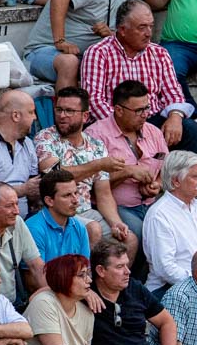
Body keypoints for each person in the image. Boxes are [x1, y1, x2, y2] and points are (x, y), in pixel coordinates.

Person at [79, 0, 197, 152]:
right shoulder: (98, 53)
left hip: (152, 119)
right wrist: (127, 124)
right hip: (114, 121)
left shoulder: (159, 53)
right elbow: (94, 101)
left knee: (190, 129)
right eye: (142, 27)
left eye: (151, 26)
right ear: (122, 30)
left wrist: (175, 116)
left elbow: (174, 94)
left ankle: (186, 175)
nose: (149, 33)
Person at [34, 87, 132, 258]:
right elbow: (53, 174)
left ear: (85, 116)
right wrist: (98, 165)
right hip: (56, 211)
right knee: (92, 229)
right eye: (59, 109)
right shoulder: (45, 138)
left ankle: (109, 284)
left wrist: (116, 223)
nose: (62, 115)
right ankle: (84, 282)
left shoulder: (96, 146)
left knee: (129, 240)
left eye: (69, 111)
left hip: (87, 211)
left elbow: (104, 195)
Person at [85, 80, 168, 242]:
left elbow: (167, 169)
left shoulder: (154, 132)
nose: (145, 114)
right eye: (138, 110)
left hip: (152, 204)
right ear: (118, 110)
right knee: (143, 235)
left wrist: (157, 184)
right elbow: (92, 186)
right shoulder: (95, 135)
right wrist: (127, 172)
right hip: (117, 208)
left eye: (147, 108)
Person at [143, 152, 197, 295]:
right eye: (195, 176)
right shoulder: (159, 215)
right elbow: (165, 268)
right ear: (176, 181)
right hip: (171, 289)